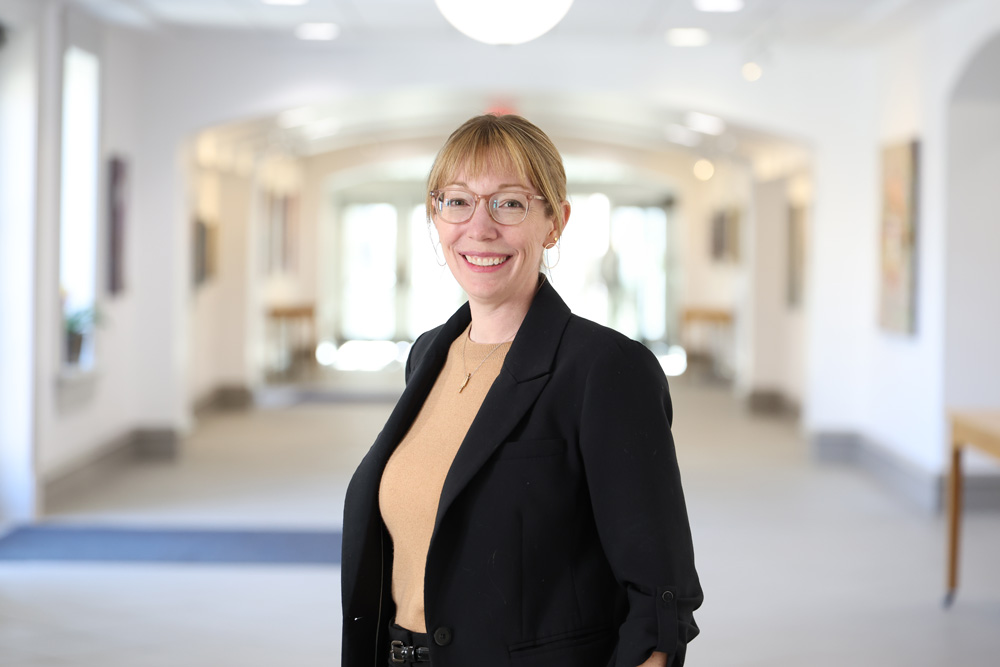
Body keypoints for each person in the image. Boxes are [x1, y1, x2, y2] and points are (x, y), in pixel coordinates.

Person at [341, 114, 702, 667]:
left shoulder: (606, 369)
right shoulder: (428, 354)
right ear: (435, 217)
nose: (479, 228)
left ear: (554, 222)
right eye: (457, 201)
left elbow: (660, 602)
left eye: (508, 203)